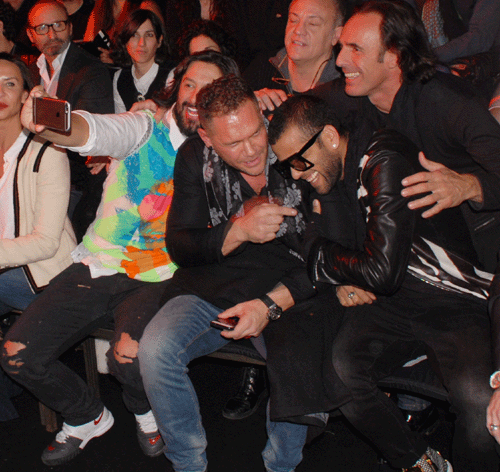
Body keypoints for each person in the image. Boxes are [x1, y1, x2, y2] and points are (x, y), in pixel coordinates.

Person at [1, 51, 239, 467]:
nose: (195, 97)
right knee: (16, 354)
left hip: (162, 275)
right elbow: (95, 130)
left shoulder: (223, 149)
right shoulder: (144, 128)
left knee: (128, 359)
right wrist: (51, 119)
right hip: (97, 263)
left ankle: (142, 408)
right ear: (176, 87)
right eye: (189, 84)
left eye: (209, 88)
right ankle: (86, 415)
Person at [268, 93, 497, 472]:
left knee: (477, 402)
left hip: (451, 297)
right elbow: (320, 239)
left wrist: (326, 257)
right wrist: (338, 271)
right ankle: (421, 463)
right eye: (285, 165)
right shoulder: (330, 173)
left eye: (297, 161)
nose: (294, 174)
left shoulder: (383, 158)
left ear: (329, 137)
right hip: (393, 302)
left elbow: (378, 272)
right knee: (341, 373)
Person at [138, 74, 316, 472]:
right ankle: (188, 463)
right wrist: (238, 232)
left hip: (289, 283)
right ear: (206, 137)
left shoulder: (293, 141)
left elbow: (329, 249)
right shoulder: (194, 157)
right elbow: (181, 246)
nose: (251, 150)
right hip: (214, 282)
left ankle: (281, 466)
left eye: (255, 133)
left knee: (296, 361)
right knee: (156, 351)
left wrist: (272, 302)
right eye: (233, 143)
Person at [0, 52, 75, 420]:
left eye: (9, 84)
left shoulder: (47, 152)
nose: (0, 92)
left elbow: (46, 242)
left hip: (45, 274)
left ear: (26, 96)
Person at [26, 0, 114, 241]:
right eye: (42, 28)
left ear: (71, 27)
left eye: (58, 25)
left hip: (74, 184)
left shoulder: (91, 70)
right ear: (31, 35)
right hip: (34, 177)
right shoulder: (31, 71)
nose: (52, 34)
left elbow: (86, 138)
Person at [244, 0, 344, 111]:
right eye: (293, 20)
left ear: (336, 35)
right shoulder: (263, 68)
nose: (298, 30)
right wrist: (248, 103)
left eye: (312, 23)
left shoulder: (345, 87)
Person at [110, 9, 172, 114]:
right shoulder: (120, 78)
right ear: (125, 41)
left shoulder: (171, 75)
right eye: (134, 35)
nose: (141, 43)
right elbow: (121, 120)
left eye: (149, 35)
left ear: (159, 41)